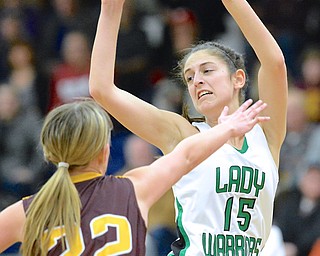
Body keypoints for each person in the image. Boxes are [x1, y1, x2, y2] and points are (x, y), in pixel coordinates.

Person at [89, 0, 287, 255]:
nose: (197, 81)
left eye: (207, 70)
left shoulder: (265, 130)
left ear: (238, 78)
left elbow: (274, 62)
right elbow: (102, 90)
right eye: (190, 77)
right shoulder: (184, 135)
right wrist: (110, 10)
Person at [0, 98, 268, 255]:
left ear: (49, 152)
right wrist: (226, 129)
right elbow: (185, 155)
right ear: (104, 151)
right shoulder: (133, 189)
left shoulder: (27, 211)